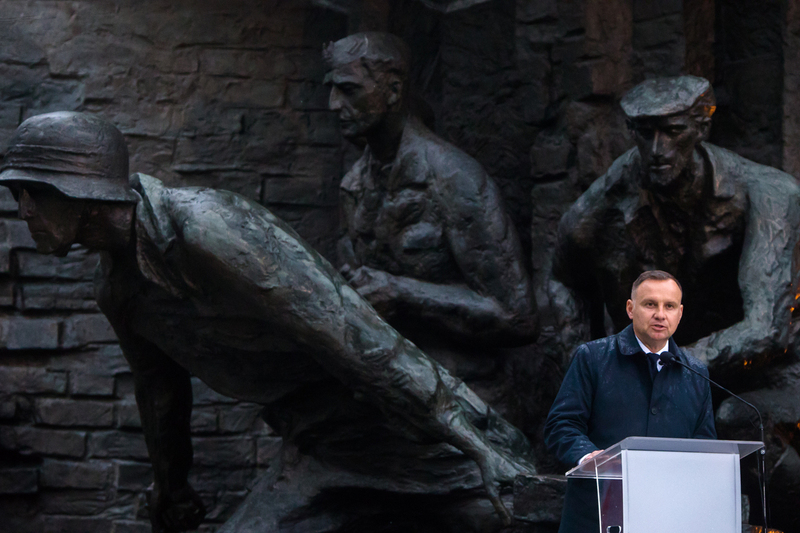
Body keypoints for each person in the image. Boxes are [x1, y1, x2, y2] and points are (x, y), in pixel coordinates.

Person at [0, 111, 537, 532]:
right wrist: (170, 489)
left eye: (34, 194)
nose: (23, 211)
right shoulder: (119, 291)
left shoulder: (206, 227)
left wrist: (476, 443)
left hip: (411, 429)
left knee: (512, 514)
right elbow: (160, 392)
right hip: (322, 447)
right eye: (17, 195)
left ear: (84, 192)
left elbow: (358, 337)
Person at [324, 33, 537, 388]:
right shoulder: (353, 184)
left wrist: (402, 293)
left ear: (393, 90)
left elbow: (518, 317)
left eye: (348, 89)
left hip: (467, 393)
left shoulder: (454, 179)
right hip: (386, 387)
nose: (333, 104)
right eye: (331, 89)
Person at [552, 75, 800, 378]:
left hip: (764, 374)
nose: (657, 149)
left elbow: (766, 328)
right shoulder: (607, 198)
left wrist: (665, 364)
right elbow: (564, 278)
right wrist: (585, 375)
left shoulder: (770, 195)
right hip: (652, 378)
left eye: (673, 132)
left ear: (701, 129)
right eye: (646, 134)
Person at [544, 270, 716, 533]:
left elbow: (705, 445)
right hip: (595, 515)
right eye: (650, 304)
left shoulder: (695, 373)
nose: (660, 314)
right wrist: (590, 456)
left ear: (680, 313)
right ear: (630, 308)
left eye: (669, 306)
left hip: (667, 516)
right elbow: (561, 424)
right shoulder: (593, 357)